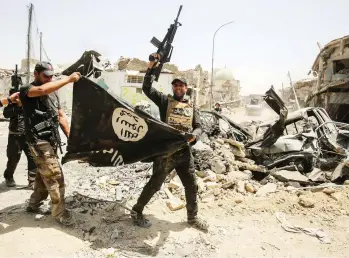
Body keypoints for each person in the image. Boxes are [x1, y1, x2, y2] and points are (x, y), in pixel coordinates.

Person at [131, 54, 208, 231]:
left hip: (184, 153)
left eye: (181, 85)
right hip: (167, 153)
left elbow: (199, 126)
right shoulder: (165, 101)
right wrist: (151, 67)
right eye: (176, 85)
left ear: (186, 88)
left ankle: (192, 217)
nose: (178, 88)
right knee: (155, 184)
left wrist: (194, 136)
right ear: (173, 88)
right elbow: (147, 88)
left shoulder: (191, 107)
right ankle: (136, 211)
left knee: (191, 185)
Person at [19, 61, 80, 225]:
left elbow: (61, 116)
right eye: (45, 75)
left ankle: (33, 205)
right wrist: (68, 79)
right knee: (54, 176)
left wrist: (70, 137)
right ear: (36, 74)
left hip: (50, 139)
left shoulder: (53, 93)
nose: (49, 79)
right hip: (38, 141)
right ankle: (60, 214)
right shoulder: (27, 90)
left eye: (51, 76)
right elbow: (42, 90)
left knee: (42, 176)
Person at [3, 86, 37, 188]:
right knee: (13, 158)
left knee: (32, 158)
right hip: (15, 135)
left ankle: (32, 181)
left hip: (28, 134)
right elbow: (6, 114)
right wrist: (18, 105)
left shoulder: (29, 104)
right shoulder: (10, 106)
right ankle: (8, 176)